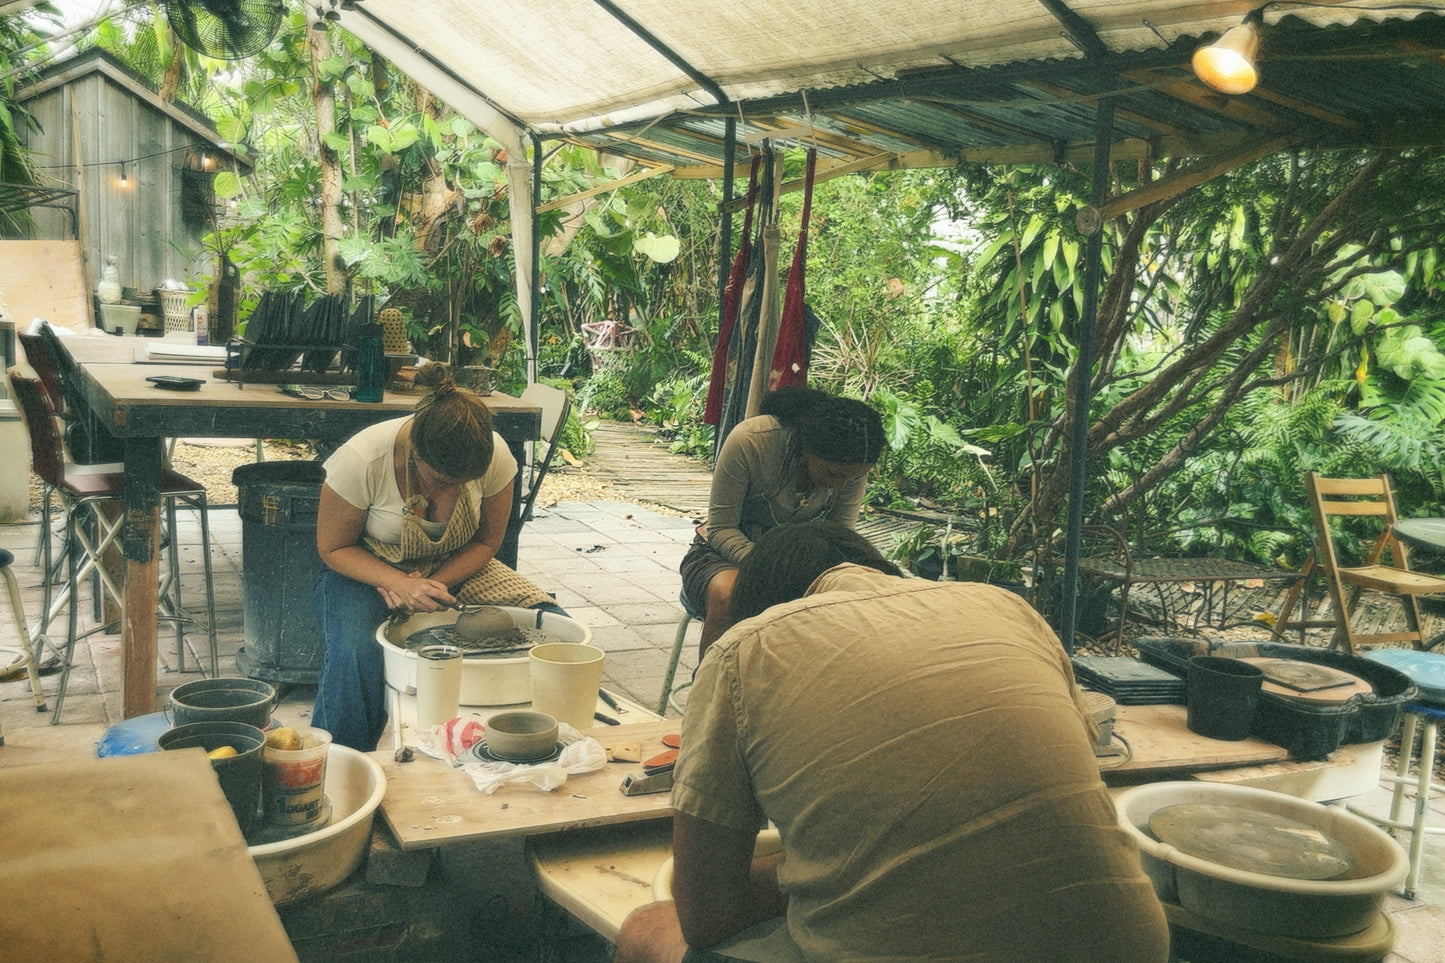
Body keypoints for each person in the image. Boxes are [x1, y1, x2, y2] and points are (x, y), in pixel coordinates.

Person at [617, 522, 1169, 963]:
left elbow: (707, 912)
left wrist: (807, 873)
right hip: (1134, 946)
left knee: (648, 929)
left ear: (762, 603)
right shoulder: (1008, 608)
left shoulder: (747, 649)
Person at [311, 372, 564, 750]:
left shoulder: (495, 454)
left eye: (465, 482)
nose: (456, 490)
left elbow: (487, 539)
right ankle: (345, 761)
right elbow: (333, 548)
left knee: (557, 632)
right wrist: (400, 583)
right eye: (444, 481)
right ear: (414, 449)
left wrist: (435, 584)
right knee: (357, 650)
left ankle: (529, 741)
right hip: (369, 566)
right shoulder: (364, 459)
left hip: (460, 564)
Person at [679, 386, 883, 655]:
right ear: (808, 449)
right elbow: (721, 529)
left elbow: (839, 535)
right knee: (728, 597)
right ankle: (708, 688)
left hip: (799, 568)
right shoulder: (751, 440)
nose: (840, 487)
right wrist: (776, 571)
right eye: (834, 475)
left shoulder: (850, 465)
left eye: (853, 479)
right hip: (724, 555)